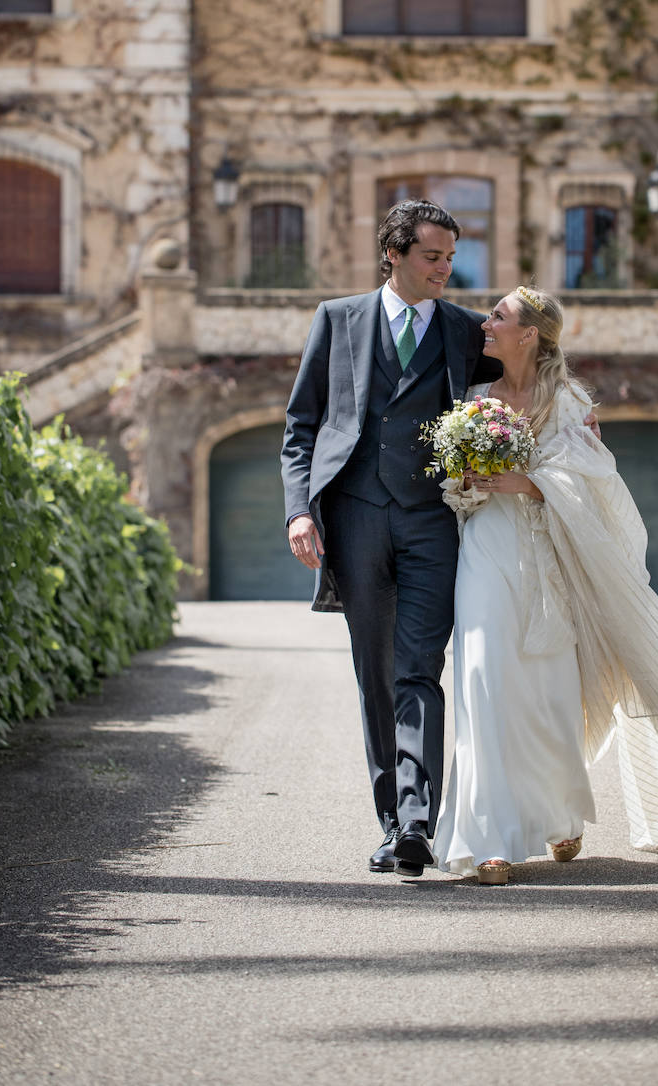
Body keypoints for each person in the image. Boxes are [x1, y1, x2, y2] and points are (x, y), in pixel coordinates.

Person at [432, 285, 658, 885]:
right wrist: (466, 479)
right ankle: (488, 837)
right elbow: (456, 490)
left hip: (554, 555)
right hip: (487, 547)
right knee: (482, 676)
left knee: (548, 688)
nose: (484, 323)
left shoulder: (571, 403)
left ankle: (560, 813)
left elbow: (598, 482)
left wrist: (533, 483)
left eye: (498, 316)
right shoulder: (471, 401)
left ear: (530, 335)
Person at [280, 199, 502, 877]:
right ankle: (390, 820)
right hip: (353, 513)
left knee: (418, 668)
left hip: (432, 517)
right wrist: (299, 510)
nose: (445, 270)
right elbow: (301, 425)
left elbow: (531, 369)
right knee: (375, 672)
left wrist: (570, 421)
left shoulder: (465, 329)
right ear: (394, 254)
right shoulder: (338, 319)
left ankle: (416, 822)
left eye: (450, 260)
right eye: (432, 258)